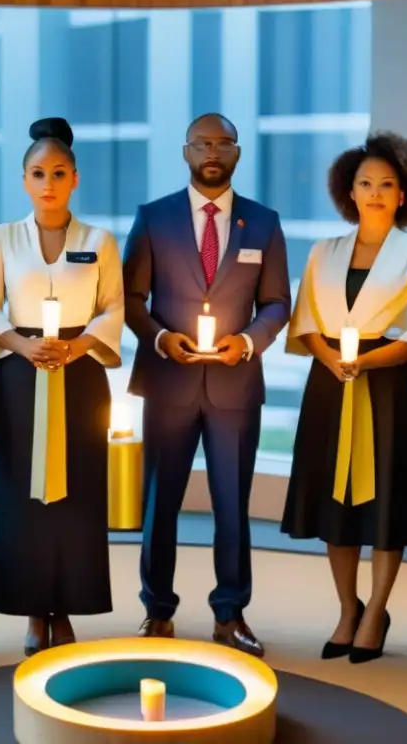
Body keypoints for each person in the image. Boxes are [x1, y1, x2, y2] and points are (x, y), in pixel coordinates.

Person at [123, 113, 290, 657]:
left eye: (223, 143)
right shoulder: (153, 218)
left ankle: (231, 614)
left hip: (234, 384)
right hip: (169, 379)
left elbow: (276, 303)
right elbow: (130, 299)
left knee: (231, 503)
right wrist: (159, 339)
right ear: (186, 152)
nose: (212, 151)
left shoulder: (263, 223)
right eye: (202, 143)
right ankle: (157, 610)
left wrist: (247, 342)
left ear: (238, 154)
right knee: (159, 502)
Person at [282, 132, 407, 664]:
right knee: (336, 502)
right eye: (365, 183)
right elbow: (304, 320)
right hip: (330, 383)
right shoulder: (322, 252)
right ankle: (347, 608)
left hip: (386, 386)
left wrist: (366, 361)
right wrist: (332, 360)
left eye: (386, 185)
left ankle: (376, 611)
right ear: (348, 191)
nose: (374, 193)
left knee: (385, 503)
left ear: (405, 194)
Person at [0, 117, 124, 655]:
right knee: (21, 494)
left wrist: (78, 347)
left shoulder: (99, 240)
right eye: (38, 173)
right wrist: (22, 346)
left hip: (80, 374)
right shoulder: (1, 239)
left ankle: (69, 607)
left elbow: (113, 309)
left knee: (78, 494)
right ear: (24, 180)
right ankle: (34, 609)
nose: (49, 183)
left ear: (76, 178)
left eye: (59, 172)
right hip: (19, 374)